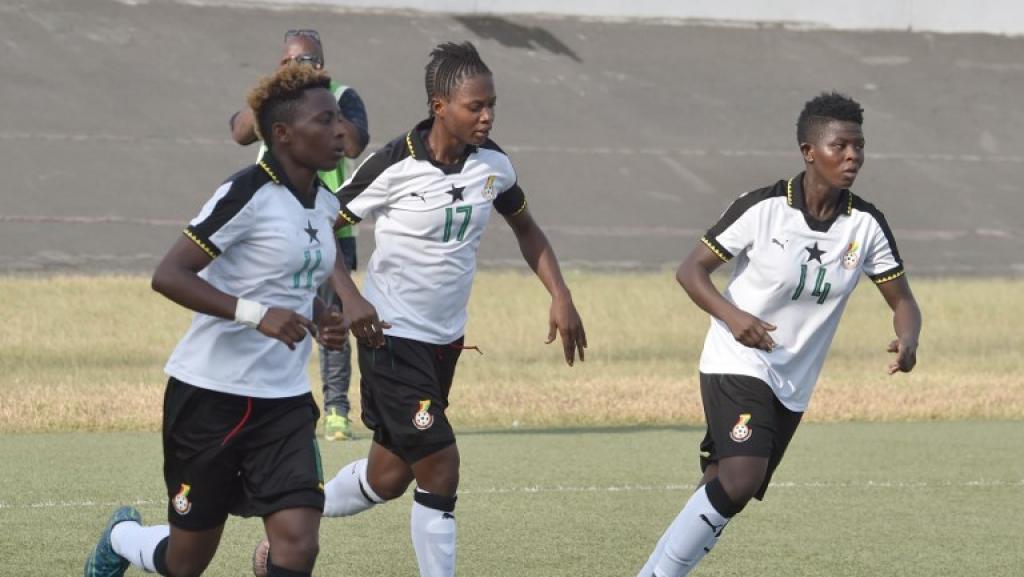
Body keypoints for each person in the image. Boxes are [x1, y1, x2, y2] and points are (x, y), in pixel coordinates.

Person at [252, 41, 587, 577]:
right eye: (475, 106)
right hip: (390, 337)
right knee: (442, 469)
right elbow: (317, 224)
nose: (487, 116)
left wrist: (561, 294)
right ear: (439, 106)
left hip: (444, 343)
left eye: (491, 104)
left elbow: (527, 229)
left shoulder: (494, 166)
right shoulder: (392, 165)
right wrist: (352, 295)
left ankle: (285, 521)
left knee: (387, 479)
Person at [635, 92, 923, 577]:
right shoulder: (763, 208)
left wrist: (909, 339)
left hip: (793, 382)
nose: (852, 156)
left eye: (859, 147)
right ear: (809, 151)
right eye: (840, 146)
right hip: (737, 361)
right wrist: (734, 317)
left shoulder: (867, 225)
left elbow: (904, 302)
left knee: (723, 484)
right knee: (741, 479)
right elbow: (691, 272)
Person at [84, 63, 350, 577]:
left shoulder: (325, 203)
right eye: (324, 121)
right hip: (209, 398)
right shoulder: (245, 193)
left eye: (338, 118)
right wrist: (256, 317)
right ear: (282, 134)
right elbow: (169, 274)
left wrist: (322, 319)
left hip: (285, 404)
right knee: (186, 563)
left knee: (298, 545)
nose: (339, 130)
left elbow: (292, 282)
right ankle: (122, 539)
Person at [230, 28, 371, 441]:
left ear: (323, 64)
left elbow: (355, 144)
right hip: (273, 227)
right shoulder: (273, 100)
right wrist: (274, 96)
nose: (302, 69)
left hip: (327, 223)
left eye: (310, 61)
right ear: (281, 65)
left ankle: (337, 412)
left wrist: (322, 99)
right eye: (294, 62)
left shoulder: (342, 97)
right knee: (273, 313)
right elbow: (239, 132)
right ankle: (267, 406)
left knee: (333, 318)